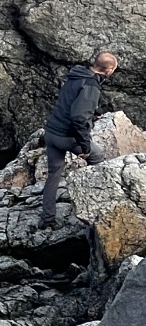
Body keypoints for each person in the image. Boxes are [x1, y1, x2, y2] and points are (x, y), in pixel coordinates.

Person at [40, 50, 119, 226]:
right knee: (97, 157)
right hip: (66, 136)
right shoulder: (91, 85)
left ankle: (47, 220)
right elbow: (78, 118)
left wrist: (94, 111)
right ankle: (97, 209)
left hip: (51, 132)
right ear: (109, 70)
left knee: (54, 175)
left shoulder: (77, 74)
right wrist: (84, 146)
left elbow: (71, 100)